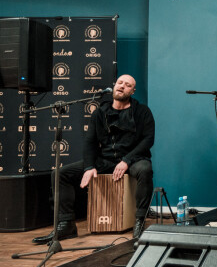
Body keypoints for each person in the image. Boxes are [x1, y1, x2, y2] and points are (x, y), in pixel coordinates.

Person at [33, 74, 155, 244]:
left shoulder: (142, 112)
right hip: (105, 160)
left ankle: (139, 221)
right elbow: (90, 141)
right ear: (114, 86)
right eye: (120, 83)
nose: (122, 86)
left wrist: (126, 160)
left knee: (145, 170)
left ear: (133, 91)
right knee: (60, 174)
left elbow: (148, 140)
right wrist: (89, 166)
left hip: (133, 159)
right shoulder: (99, 112)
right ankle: (66, 223)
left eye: (127, 85)